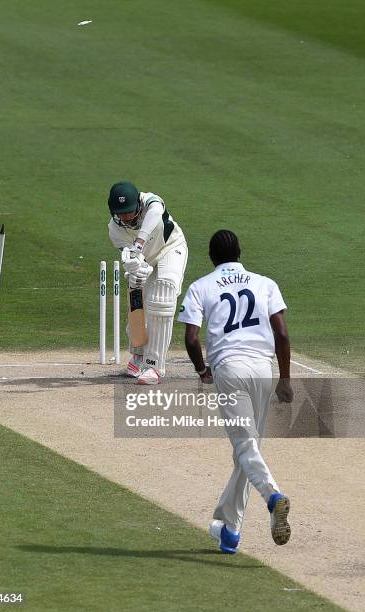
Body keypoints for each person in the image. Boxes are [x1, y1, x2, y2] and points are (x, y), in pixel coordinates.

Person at [178, 229, 293, 553]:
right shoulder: (265, 283)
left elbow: (190, 338)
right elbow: (282, 334)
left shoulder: (201, 286)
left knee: (245, 447)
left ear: (211, 257)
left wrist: (203, 371)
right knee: (246, 450)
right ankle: (229, 531)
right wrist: (285, 379)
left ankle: (273, 496)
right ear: (240, 252)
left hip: (229, 370)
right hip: (262, 369)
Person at [108, 181, 187, 384]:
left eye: (129, 211)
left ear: (138, 205)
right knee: (136, 298)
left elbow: (155, 213)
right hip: (146, 258)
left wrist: (139, 243)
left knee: (162, 297)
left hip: (170, 249)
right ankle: (139, 354)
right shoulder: (114, 230)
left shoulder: (151, 202)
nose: (125, 217)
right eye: (121, 213)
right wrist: (136, 269)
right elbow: (134, 261)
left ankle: (154, 366)